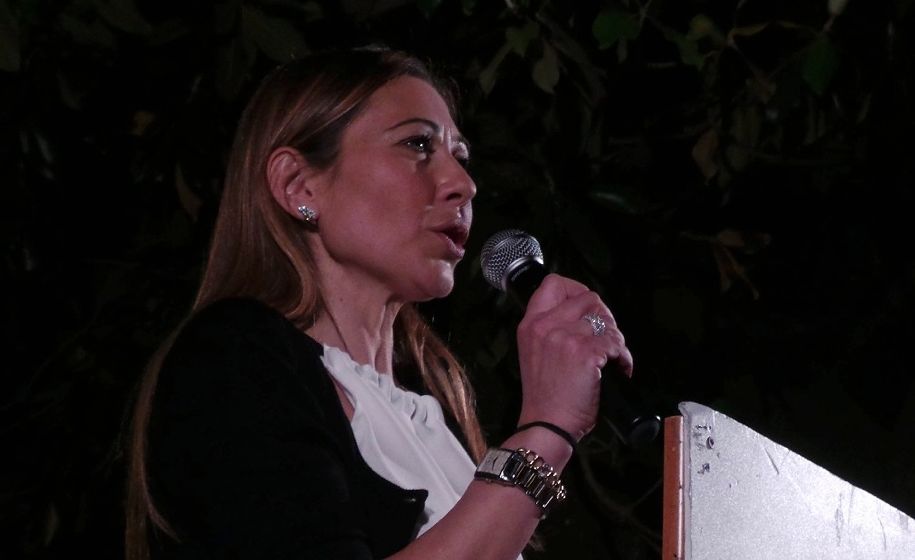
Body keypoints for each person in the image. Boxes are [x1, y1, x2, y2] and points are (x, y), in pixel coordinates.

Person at [124, 47, 633, 560]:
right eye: (417, 145)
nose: (463, 184)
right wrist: (546, 429)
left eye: (459, 156)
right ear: (299, 185)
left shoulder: (433, 417)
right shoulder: (231, 360)